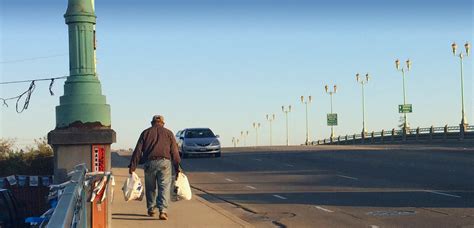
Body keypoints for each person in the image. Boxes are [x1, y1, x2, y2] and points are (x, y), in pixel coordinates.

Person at [129, 115, 181, 220]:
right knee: (164, 187)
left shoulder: (145, 133)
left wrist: (132, 166)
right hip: (164, 163)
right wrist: (177, 167)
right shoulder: (169, 133)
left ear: (152, 123)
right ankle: (163, 211)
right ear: (163, 123)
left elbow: (138, 150)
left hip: (150, 163)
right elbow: (174, 152)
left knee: (150, 187)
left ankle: (151, 209)